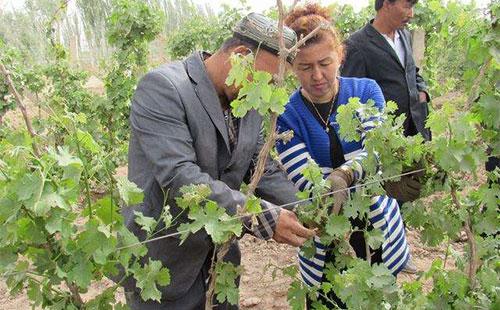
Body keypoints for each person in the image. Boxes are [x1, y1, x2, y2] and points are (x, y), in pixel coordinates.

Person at [122, 13, 315, 309]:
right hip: (163, 266)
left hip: (219, 261)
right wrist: (259, 216)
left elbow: (259, 169)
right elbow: (181, 178)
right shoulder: (163, 88)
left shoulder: (247, 99)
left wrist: (309, 208)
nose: (267, 90)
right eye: (266, 78)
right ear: (239, 56)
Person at [278, 4, 411, 308]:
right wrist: (327, 186)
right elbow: (303, 176)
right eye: (305, 67)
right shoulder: (286, 114)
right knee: (327, 299)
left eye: (325, 62)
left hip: (375, 227)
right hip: (325, 230)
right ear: (291, 67)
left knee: (376, 296)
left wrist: (345, 174)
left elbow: (377, 150)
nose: (317, 75)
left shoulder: (366, 90)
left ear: (340, 55)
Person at [342, 0, 429, 206]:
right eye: (407, 6)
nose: (412, 13)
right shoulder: (356, 45)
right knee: (384, 203)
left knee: (408, 196)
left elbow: (412, 71)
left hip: (411, 134)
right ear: (386, 4)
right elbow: (350, 99)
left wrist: (422, 90)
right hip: (383, 143)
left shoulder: (404, 36)